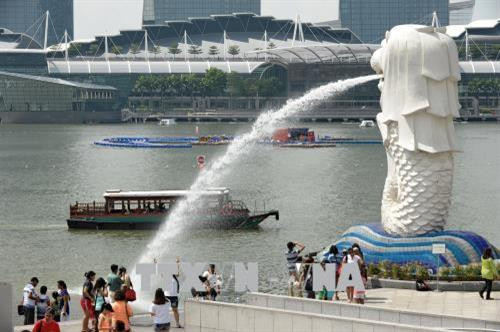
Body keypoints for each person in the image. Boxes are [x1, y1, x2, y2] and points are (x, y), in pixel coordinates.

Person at [165, 258, 182, 328]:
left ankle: (177, 323)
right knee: (164, 310)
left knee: (175, 310)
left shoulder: (175, 276)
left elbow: (178, 272)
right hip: (166, 296)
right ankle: (164, 323)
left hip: (174, 296)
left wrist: (177, 263)